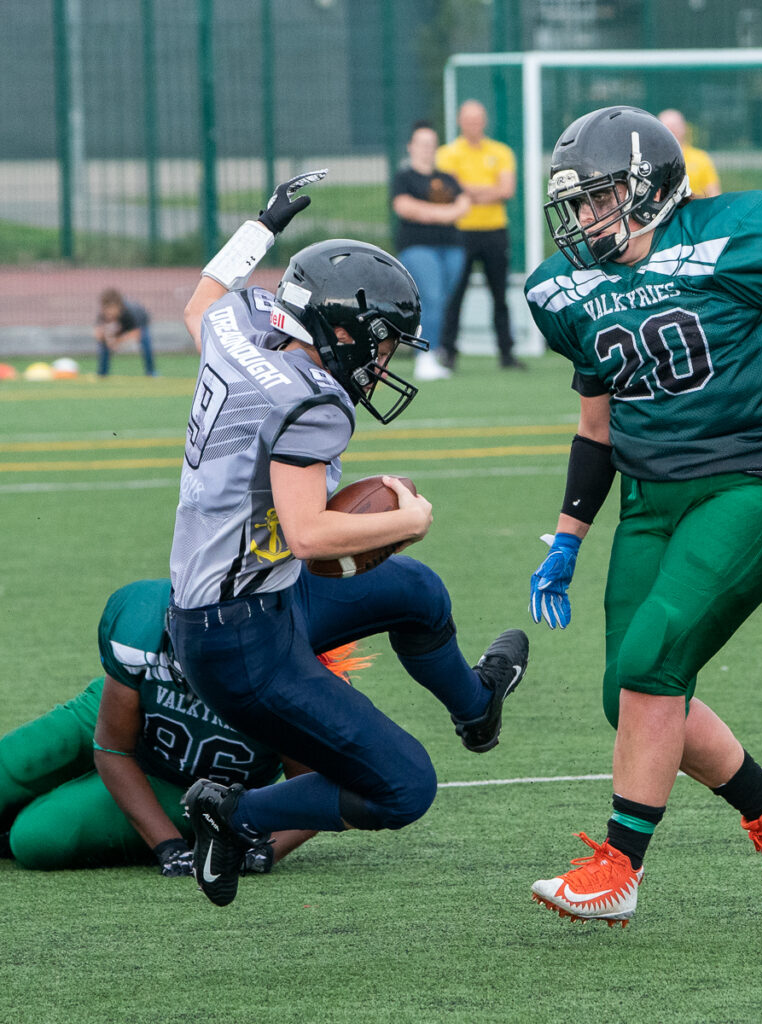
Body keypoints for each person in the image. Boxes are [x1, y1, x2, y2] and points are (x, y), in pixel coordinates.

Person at [524, 106, 762, 926]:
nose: (585, 217)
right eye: (577, 202)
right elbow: (596, 431)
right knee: (628, 694)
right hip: (648, 501)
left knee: (652, 662)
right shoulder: (566, 290)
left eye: (599, 197)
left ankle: (619, 868)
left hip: (752, 481)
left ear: (651, 189)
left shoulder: (734, 237)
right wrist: (567, 539)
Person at [167, 170, 529, 908]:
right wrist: (410, 520)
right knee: (404, 787)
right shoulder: (312, 401)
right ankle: (232, 815)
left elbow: (200, 302)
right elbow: (308, 533)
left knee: (416, 593)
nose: (384, 359)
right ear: (340, 332)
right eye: (383, 342)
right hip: (240, 642)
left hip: (245, 601)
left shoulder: (242, 326)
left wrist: (262, 226)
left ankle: (477, 707)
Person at [0, 578, 318, 875]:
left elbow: (317, 788)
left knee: (38, 837)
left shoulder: (292, 671)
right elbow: (113, 749)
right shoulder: (143, 622)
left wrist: (262, 850)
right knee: (14, 765)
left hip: (187, 783)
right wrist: (168, 847)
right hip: (123, 708)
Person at [435, 99, 524, 370]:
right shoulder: (447, 153)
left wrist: (468, 191)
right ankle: (448, 352)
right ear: (460, 122)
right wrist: (488, 190)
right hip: (460, 233)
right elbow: (450, 190)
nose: (473, 125)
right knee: (455, 294)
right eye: (468, 120)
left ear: (484, 122)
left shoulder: (501, 152)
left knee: (499, 295)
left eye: (477, 119)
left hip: (495, 231)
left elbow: (506, 190)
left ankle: (506, 353)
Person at [390, 120, 471, 382]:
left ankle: (435, 353)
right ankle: (423, 356)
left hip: (452, 247)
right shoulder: (404, 178)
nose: (427, 148)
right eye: (422, 143)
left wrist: (431, 213)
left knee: (443, 301)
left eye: (431, 144)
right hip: (418, 247)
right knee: (430, 299)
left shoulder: (447, 178)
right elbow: (405, 208)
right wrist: (445, 213)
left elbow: (464, 205)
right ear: (411, 146)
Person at [657, 108, 722, 198]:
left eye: (675, 126)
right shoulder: (652, 159)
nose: (671, 130)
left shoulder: (701, 158)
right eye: (666, 126)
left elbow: (714, 194)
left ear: (685, 128)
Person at [93, 288, 158, 377]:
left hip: (139, 326)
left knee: (145, 339)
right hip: (120, 329)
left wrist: (117, 341)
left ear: (119, 307)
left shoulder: (129, 312)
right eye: (106, 311)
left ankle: (151, 371)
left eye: (111, 310)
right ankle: (102, 374)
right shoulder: (103, 314)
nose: (109, 314)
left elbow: (136, 333)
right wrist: (106, 339)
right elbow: (97, 333)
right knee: (103, 345)